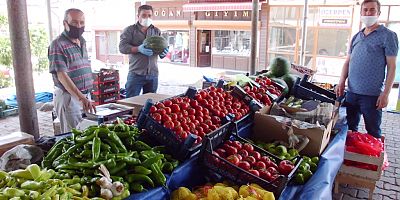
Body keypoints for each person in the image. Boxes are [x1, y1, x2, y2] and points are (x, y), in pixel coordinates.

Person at [335, 0, 398, 138]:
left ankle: (373, 159)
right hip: (351, 93)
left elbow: (392, 67)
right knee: (350, 130)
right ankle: (351, 158)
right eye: (365, 10)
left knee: (373, 132)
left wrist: (385, 94)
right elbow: (348, 62)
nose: (368, 13)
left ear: (378, 13)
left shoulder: (388, 36)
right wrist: (341, 81)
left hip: (372, 96)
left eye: (372, 10)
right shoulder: (357, 36)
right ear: (361, 12)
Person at [48, 8, 96, 133]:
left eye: (82, 22)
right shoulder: (58, 44)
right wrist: (81, 98)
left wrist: (86, 96)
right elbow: (62, 76)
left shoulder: (83, 42)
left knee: (86, 133)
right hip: (69, 97)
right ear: (65, 23)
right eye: (74, 23)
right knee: (73, 136)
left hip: (84, 96)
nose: (79, 26)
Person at [119, 5, 169, 98]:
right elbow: (122, 47)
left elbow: (160, 48)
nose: (147, 18)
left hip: (153, 74)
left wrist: (163, 52)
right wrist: (138, 49)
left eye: (149, 15)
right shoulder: (130, 30)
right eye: (144, 15)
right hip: (136, 74)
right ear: (138, 16)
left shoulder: (156, 31)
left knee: (150, 104)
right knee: (131, 103)